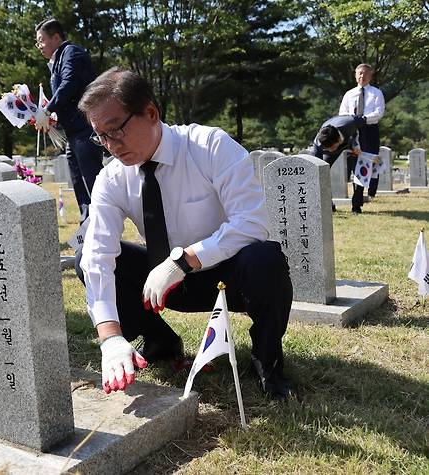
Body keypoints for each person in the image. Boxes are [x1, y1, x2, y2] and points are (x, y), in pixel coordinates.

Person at [74, 68, 294, 401]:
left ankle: (268, 360)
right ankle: (159, 339)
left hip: (226, 277)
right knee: (84, 260)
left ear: (151, 113)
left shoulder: (210, 146)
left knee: (266, 259)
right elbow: (98, 256)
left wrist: (184, 260)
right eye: (100, 136)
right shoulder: (113, 178)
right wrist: (110, 337)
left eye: (116, 129)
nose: (110, 146)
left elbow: (251, 222)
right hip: (162, 285)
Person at [34, 19, 103, 221]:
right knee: (79, 185)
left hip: (85, 129)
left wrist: (47, 110)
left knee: (93, 183)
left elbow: (69, 84)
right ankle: (87, 227)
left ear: (56, 37)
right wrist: (53, 115)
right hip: (73, 133)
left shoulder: (71, 53)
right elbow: (66, 95)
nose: (39, 46)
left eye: (41, 40)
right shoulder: (57, 60)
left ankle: (105, 231)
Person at [338, 63, 385, 211]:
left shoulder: (376, 93)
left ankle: (364, 196)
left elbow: (379, 113)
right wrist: (353, 120)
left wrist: (364, 119)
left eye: (365, 73)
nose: (362, 76)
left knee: (367, 163)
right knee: (354, 164)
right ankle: (351, 200)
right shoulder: (349, 94)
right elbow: (342, 112)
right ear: (355, 75)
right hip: (353, 131)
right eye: (359, 73)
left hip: (369, 131)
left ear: (370, 76)